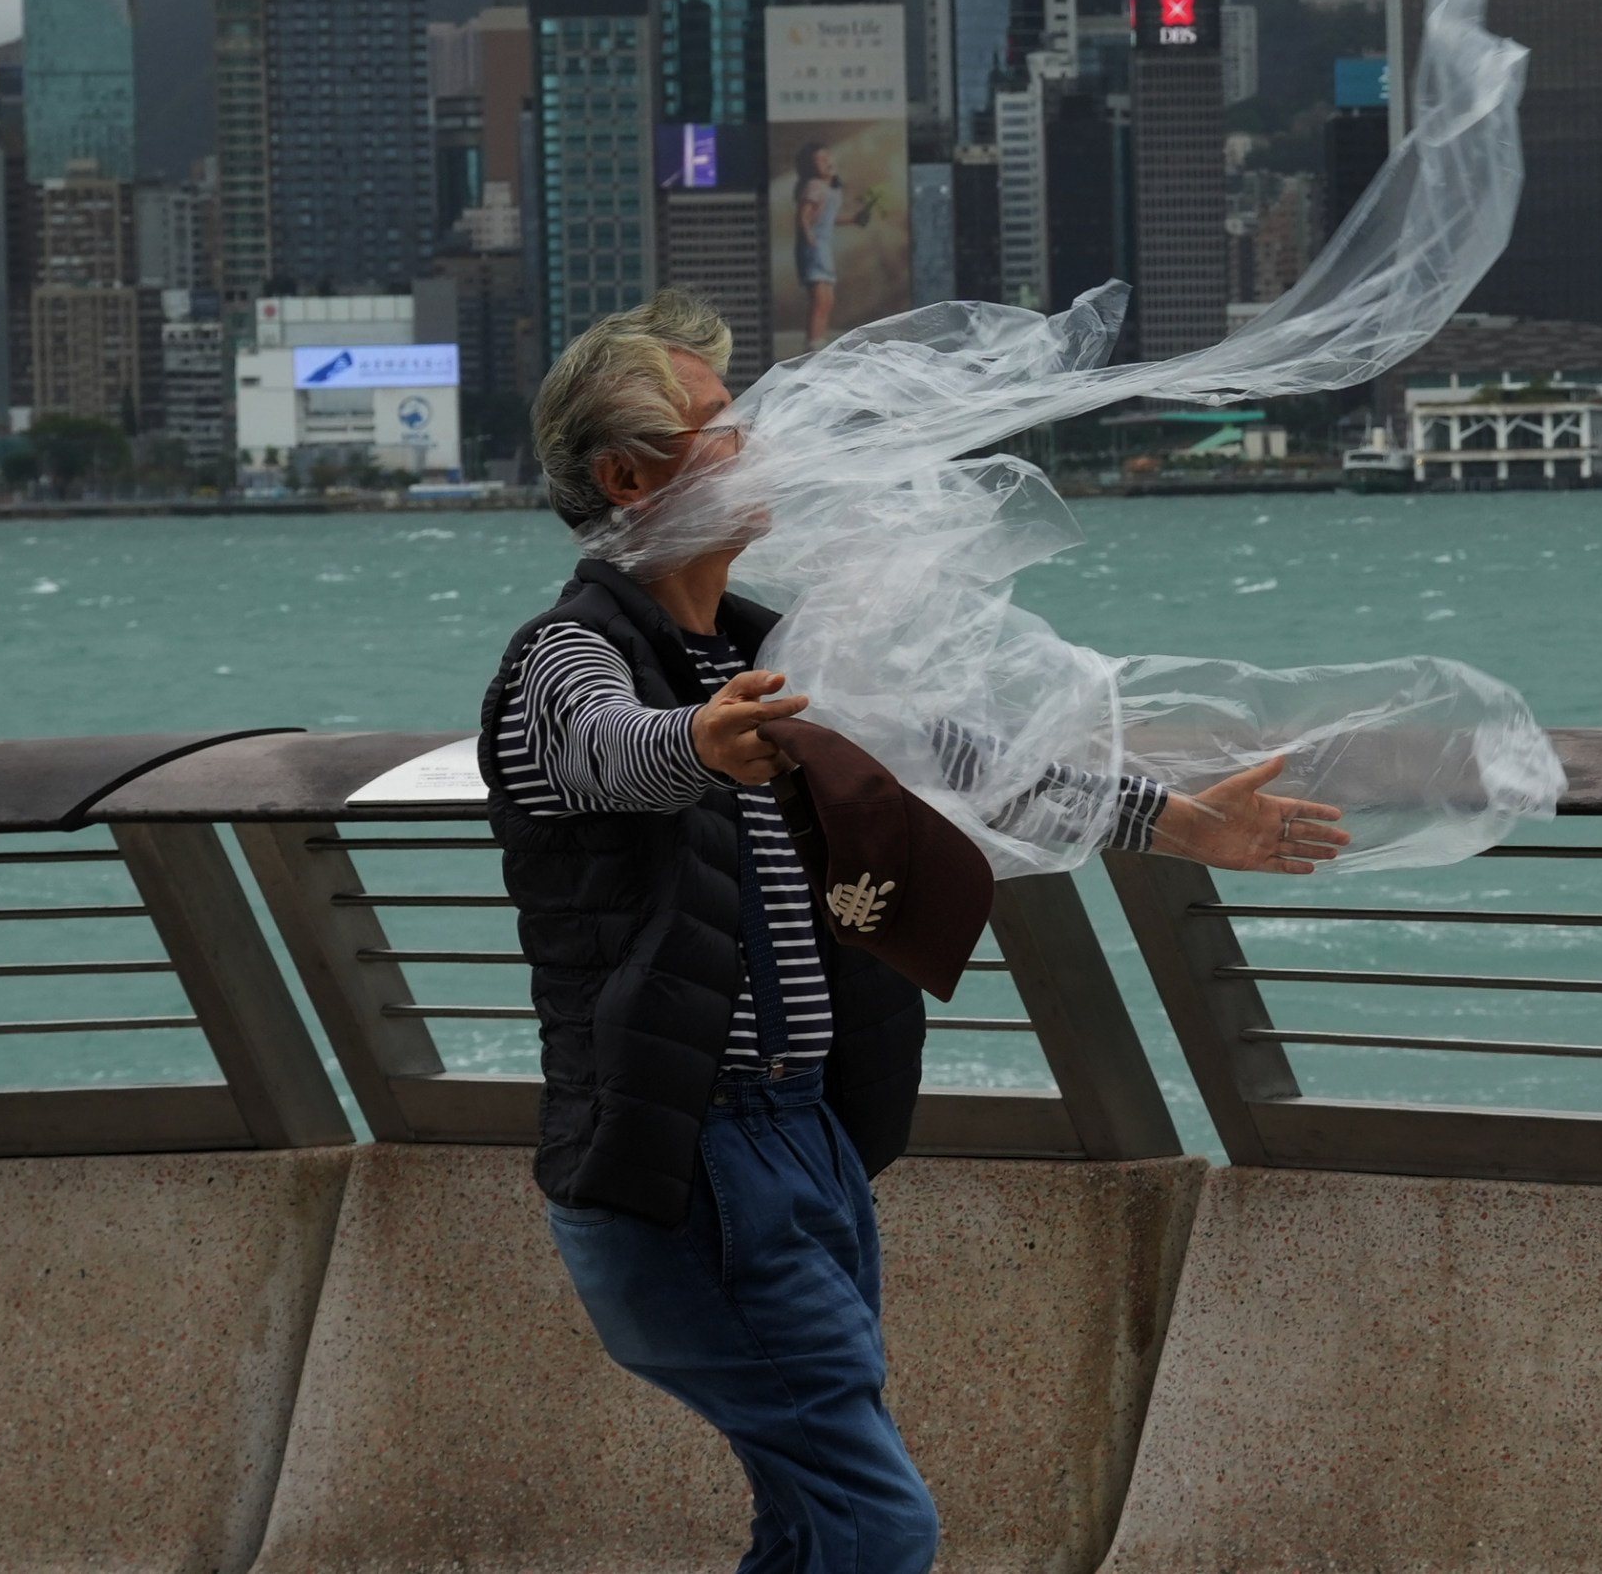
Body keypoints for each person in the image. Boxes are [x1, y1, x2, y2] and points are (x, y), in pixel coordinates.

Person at [488, 288, 1344, 1574]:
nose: (764, 445)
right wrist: (700, 744)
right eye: (723, 427)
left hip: (803, 1139)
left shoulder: (774, 651)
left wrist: (1177, 822)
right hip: (685, 1154)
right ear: (627, 473)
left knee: (816, 1515)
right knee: (881, 1526)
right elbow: (604, 750)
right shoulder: (569, 657)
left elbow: (970, 764)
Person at [792, 144, 842, 350]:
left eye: (828, 157)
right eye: (821, 160)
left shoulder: (830, 189)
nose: (827, 162)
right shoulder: (815, 186)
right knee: (820, 299)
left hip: (823, 246)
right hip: (815, 247)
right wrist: (809, 236)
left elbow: (830, 219)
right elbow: (804, 215)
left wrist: (855, 218)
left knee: (828, 299)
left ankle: (819, 339)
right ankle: (814, 345)